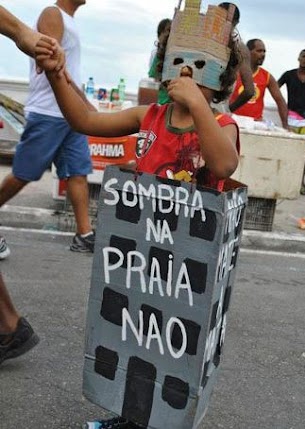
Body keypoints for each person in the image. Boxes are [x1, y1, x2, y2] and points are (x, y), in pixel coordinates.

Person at [39, 5, 241, 427]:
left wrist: (198, 106)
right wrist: (58, 75)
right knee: (135, 339)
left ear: (220, 78)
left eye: (199, 66)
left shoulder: (221, 123)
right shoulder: (146, 117)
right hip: (141, 256)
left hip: (187, 266)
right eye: (177, 61)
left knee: (175, 350)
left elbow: (223, 166)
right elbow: (84, 119)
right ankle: (130, 414)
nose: (186, 72)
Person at [0, 0, 95, 254]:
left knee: (77, 171)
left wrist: (82, 105)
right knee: (24, 173)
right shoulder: (54, 14)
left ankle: (84, 234)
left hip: (69, 114)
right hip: (49, 112)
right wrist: (84, 103)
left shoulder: (70, 21)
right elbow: (53, 64)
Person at [0, 4, 65, 366]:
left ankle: (9, 326)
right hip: (49, 110)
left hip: (55, 110)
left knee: (39, 173)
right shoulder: (54, 13)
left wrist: (22, 33)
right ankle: (8, 325)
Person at [278, 48, 305, 195]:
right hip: (291, 116)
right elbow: (275, 88)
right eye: (304, 56)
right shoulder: (289, 75)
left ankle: (301, 182)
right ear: (298, 58)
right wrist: (282, 104)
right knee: (289, 149)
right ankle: (286, 180)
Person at [229, 38, 288, 128]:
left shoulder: (267, 76)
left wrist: (285, 125)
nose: (263, 54)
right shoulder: (235, 71)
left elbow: (280, 101)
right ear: (248, 52)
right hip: (234, 120)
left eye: (264, 52)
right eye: (259, 51)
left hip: (255, 123)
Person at [218, 2, 255, 114]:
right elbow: (249, 91)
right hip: (219, 111)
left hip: (196, 106)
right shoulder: (241, 48)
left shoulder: (205, 40)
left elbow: (249, 91)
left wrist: (229, 109)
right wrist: (228, 110)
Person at [148, 18, 172, 105]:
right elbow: (153, 80)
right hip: (159, 103)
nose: (168, 34)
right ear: (160, 34)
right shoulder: (157, 55)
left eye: (171, 31)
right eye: (167, 30)